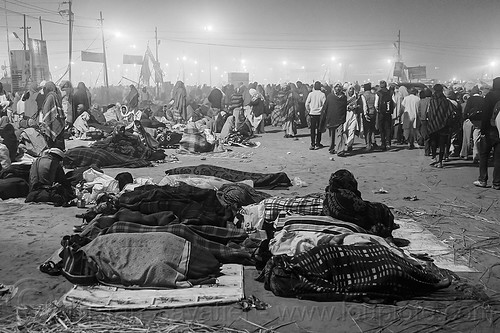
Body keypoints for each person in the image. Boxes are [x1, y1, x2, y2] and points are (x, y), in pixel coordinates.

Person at [474, 76, 500, 189]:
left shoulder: (490, 96)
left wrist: (483, 130)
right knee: (498, 158)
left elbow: (485, 115)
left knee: (484, 155)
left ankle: (483, 180)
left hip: (490, 129)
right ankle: (497, 183)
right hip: (499, 130)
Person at [427, 84, 454, 168]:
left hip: (433, 124)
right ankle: (440, 161)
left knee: (433, 141)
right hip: (443, 124)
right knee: (442, 143)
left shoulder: (432, 100)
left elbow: (429, 112)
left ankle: (434, 157)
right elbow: (450, 112)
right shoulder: (446, 101)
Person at [321, 82, 347, 156]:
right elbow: (326, 107)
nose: (338, 88)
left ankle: (340, 150)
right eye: (336, 86)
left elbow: (344, 108)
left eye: (339, 87)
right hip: (331, 117)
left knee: (340, 134)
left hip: (340, 118)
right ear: (334, 88)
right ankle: (331, 147)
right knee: (332, 135)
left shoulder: (344, 97)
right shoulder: (330, 97)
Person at [39, 81, 66, 150]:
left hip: (53, 122)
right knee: (59, 145)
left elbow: (47, 110)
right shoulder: (56, 95)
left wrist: (45, 122)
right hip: (58, 122)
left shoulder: (50, 97)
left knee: (54, 146)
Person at [461, 86, 484, 162]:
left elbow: (466, 110)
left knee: (466, 137)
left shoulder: (470, 99)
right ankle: (476, 155)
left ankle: (465, 154)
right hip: (480, 121)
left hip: (471, 120)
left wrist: (465, 118)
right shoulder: (483, 99)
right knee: (477, 138)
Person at [305, 81, 326, 150]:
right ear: (320, 87)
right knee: (319, 129)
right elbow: (324, 104)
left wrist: (309, 110)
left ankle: (312, 144)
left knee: (312, 129)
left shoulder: (311, 94)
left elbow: (307, 104)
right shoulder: (322, 94)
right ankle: (318, 143)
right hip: (320, 114)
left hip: (312, 113)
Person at [375, 80, 394, 150]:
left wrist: (378, 110)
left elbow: (376, 104)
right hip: (388, 113)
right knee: (388, 128)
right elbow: (394, 103)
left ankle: (383, 144)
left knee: (382, 128)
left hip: (381, 113)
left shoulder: (378, 93)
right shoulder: (390, 93)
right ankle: (388, 142)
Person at [360, 83, 377, 150]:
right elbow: (376, 105)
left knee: (367, 130)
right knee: (372, 128)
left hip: (367, 113)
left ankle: (368, 144)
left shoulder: (363, 96)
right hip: (373, 112)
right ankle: (373, 142)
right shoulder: (374, 95)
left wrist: (365, 114)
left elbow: (364, 106)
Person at [344, 86, 360, 152]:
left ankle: (349, 145)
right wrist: (348, 107)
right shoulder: (344, 98)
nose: (351, 90)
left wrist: (355, 107)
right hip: (346, 115)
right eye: (350, 89)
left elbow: (359, 105)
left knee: (352, 130)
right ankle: (346, 143)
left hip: (353, 115)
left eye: (352, 89)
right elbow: (342, 105)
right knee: (344, 130)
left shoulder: (356, 97)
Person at [417, 88, 432, 156]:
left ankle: (427, 151)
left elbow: (419, 111)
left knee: (426, 136)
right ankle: (432, 150)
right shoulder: (433, 101)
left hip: (423, 120)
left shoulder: (421, 101)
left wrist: (421, 118)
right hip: (432, 120)